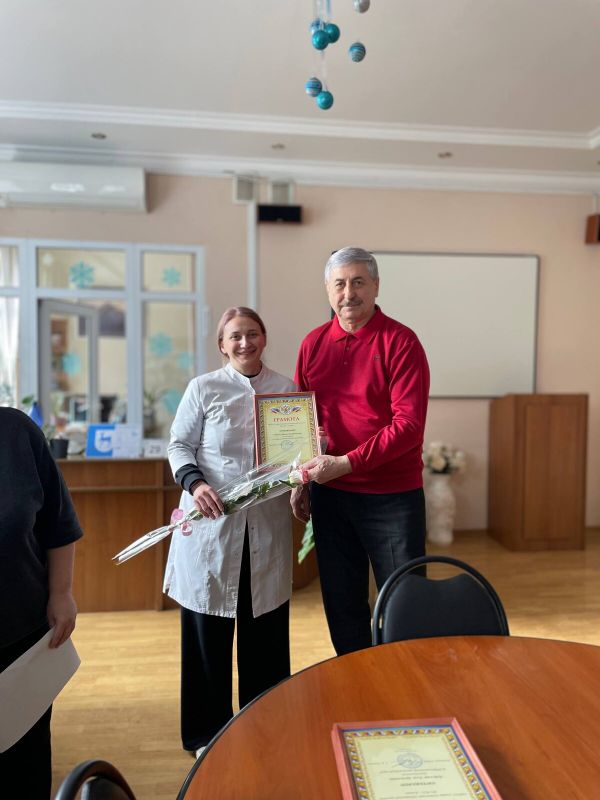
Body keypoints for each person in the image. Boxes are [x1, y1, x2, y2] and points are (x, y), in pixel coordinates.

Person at [165, 306, 295, 757]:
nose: (245, 343)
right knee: (208, 639)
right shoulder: (204, 388)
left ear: (264, 338)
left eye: (252, 334)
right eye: (235, 336)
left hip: (266, 531)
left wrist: (304, 476)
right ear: (222, 344)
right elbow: (179, 445)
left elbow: (295, 455)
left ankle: (264, 727)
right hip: (212, 532)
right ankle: (207, 736)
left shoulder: (286, 391)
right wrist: (195, 484)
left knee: (266, 638)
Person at [292, 247, 430, 656]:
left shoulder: (401, 342)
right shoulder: (313, 344)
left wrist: (347, 463)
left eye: (358, 282)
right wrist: (299, 483)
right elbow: (302, 423)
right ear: (328, 290)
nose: (348, 293)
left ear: (376, 286)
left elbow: (408, 426)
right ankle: (357, 678)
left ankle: (406, 680)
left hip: (392, 497)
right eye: (340, 284)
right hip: (331, 497)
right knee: (343, 606)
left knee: (405, 603)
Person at [0, 407, 82, 799]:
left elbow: (58, 522)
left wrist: (61, 592)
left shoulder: (18, 431)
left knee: (24, 768)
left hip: (21, 637)